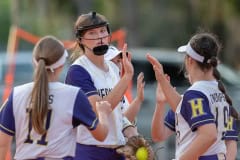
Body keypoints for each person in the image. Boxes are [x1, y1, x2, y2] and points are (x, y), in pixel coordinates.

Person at [0, 36, 112, 160]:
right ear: (62, 64)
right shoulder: (73, 95)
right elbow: (101, 135)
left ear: (34, 61)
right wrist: (103, 114)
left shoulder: (16, 94)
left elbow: (2, 144)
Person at [147, 32, 239, 160]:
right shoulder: (221, 94)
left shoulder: (195, 95)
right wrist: (161, 99)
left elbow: (208, 135)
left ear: (190, 61)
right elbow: (158, 136)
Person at [65, 11, 138, 160]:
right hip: (90, 150)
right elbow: (99, 112)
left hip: (118, 150)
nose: (100, 37)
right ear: (81, 39)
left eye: (103, 31)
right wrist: (127, 77)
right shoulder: (78, 71)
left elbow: (119, 114)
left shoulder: (113, 69)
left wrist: (133, 136)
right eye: (92, 33)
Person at [104, 45, 145, 123]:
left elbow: (124, 121)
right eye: (112, 61)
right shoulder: (97, 86)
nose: (118, 65)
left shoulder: (118, 86)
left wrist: (138, 99)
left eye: (119, 61)